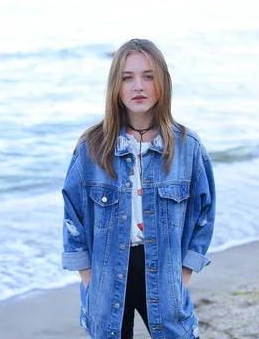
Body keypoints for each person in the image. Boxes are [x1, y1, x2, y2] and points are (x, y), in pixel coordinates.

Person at [61, 39, 216, 339]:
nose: (138, 87)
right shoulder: (91, 148)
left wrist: (182, 277)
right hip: (107, 276)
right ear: (115, 87)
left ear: (162, 83)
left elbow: (204, 216)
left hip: (164, 273)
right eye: (127, 78)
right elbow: (73, 218)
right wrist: (90, 281)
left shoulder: (188, 147)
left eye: (148, 76)